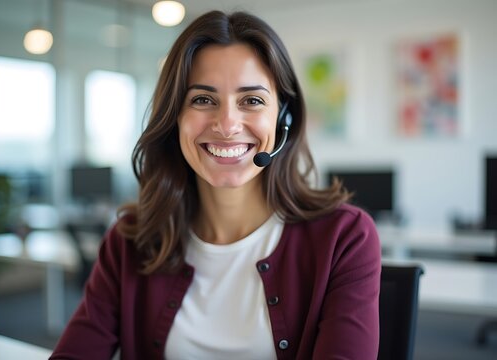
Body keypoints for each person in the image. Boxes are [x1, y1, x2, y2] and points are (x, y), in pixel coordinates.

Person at [50, 10, 381, 360]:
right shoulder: (131, 240)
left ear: (283, 117)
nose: (226, 124)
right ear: (175, 117)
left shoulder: (344, 237)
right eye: (203, 100)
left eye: (251, 101)